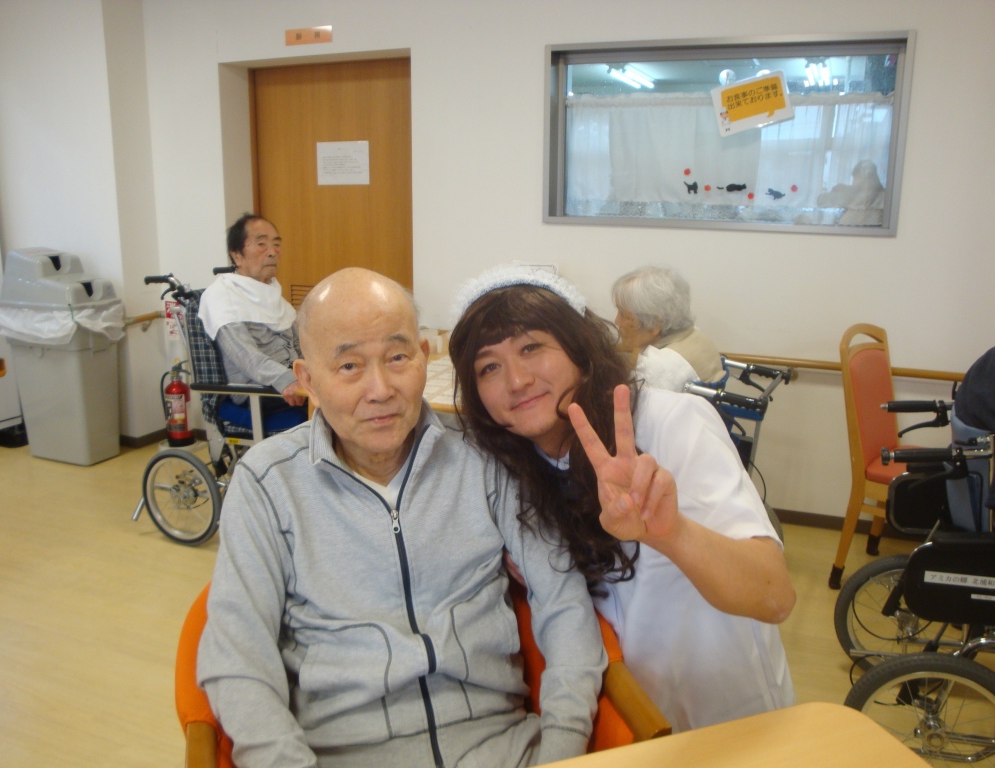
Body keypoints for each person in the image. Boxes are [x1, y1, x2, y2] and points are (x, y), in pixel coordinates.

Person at [197, 267, 605, 768]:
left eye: (397, 357)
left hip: (503, 747)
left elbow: (563, 601)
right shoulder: (267, 483)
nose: (380, 389)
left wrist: (561, 750)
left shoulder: (486, 458)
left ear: (424, 357)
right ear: (308, 380)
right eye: (349, 366)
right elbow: (238, 656)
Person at [447, 265, 796, 733]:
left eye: (531, 348)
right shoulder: (506, 471)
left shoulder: (670, 423)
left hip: (729, 720)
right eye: (489, 367)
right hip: (624, 723)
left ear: (579, 348)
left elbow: (775, 598)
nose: (516, 380)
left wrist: (671, 534)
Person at [198, 213, 307, 430]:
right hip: (258, 392)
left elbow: (300, 346)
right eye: (261, 244)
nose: (272, 252)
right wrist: (287, 380)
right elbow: (247, 358)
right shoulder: (222, 296)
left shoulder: (272, 294)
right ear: (237, 255)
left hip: (293, 382)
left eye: (276, 244)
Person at [612, 265, 725, 387]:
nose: (617, 321)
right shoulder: (696, 335)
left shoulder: (657, 369)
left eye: (624, 316)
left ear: (655, 324)